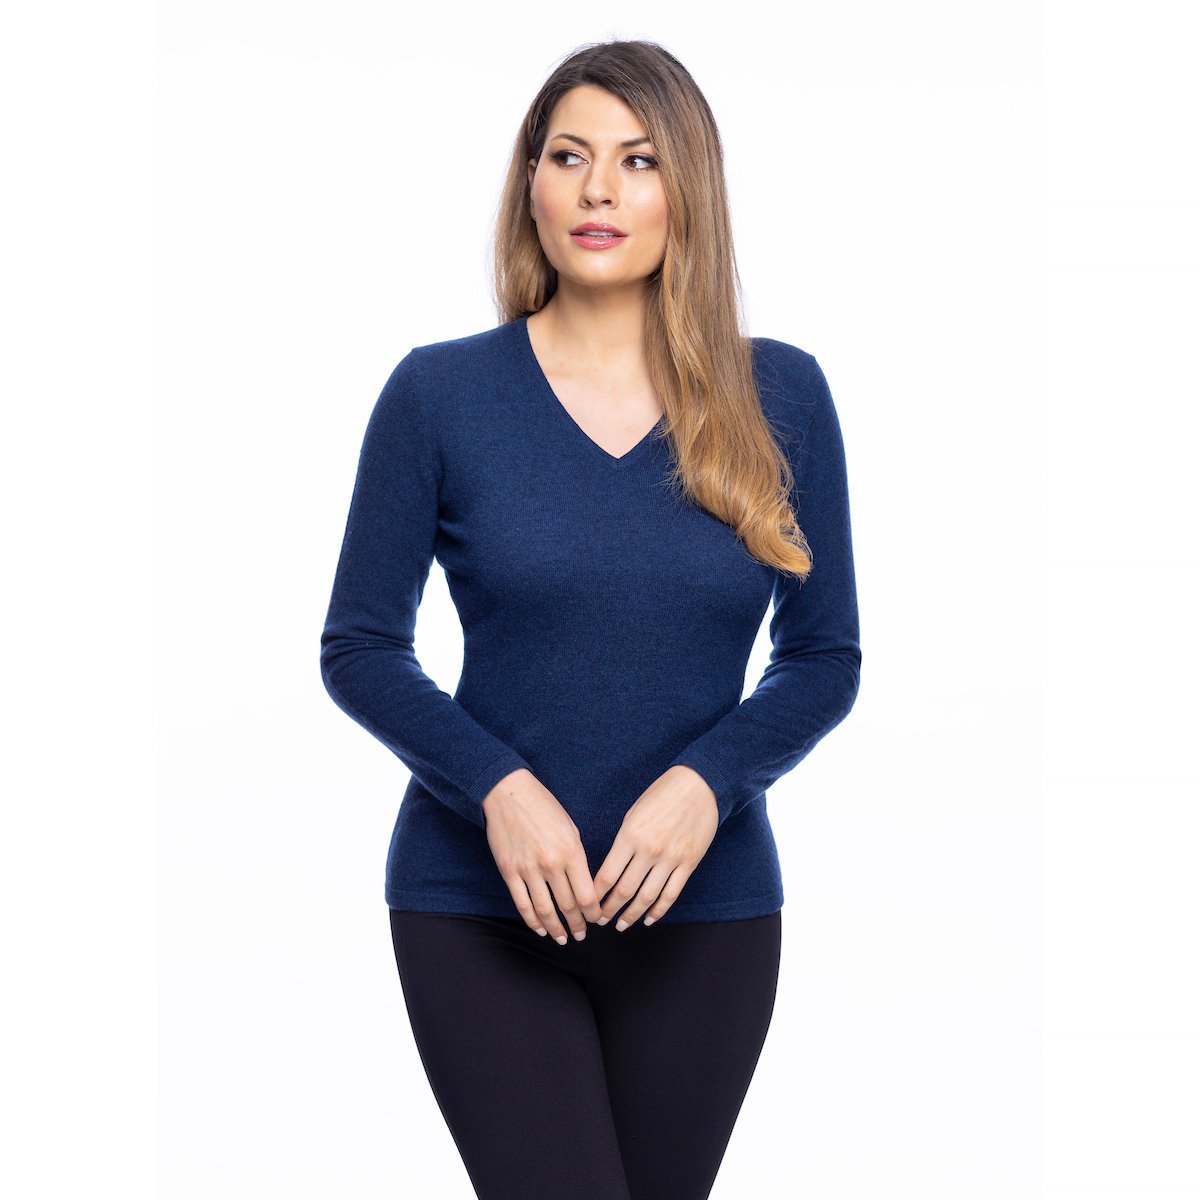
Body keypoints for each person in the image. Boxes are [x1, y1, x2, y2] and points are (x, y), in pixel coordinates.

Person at [319, 38, 861, 1200]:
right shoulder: (439, 396)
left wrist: (708, 782)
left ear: (687, 190)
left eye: (638, 160)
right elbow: (360, 647)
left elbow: (824, 658)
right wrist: (499, 790)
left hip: (706, 921)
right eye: (568, 157)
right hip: (480, 910)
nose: (599, 190)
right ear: (531, 183)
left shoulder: (781, 395)